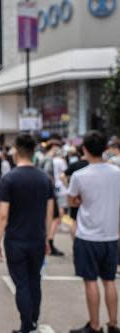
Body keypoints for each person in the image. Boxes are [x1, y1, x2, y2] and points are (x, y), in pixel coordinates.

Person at [0, 134, 54, 333]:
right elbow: (49, 211)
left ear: (17, 151)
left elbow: (2, 215)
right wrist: (47, 238)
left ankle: (26, 326)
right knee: (34, 280)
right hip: (37, 238)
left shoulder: (9, 179)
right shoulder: (44, 178)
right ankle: (34, 321)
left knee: (21, 283)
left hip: (16, 241)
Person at [68, 131, 120, 333]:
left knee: (90, 281)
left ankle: (95, 325)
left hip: (87, 235)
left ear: (84, 150)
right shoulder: (117, 173)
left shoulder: (79, 176)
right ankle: (113, 324)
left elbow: (72, 201)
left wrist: (82, 199)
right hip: (111, 235)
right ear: (105, 149)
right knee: (110, 280)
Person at [43, 139, 67, 256]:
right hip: (55, 189)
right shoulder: (52, 159)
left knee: (53, 216)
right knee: (55, 217)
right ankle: (49, 242)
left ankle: (49, 242)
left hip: (51, 189)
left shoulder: (45, 158)